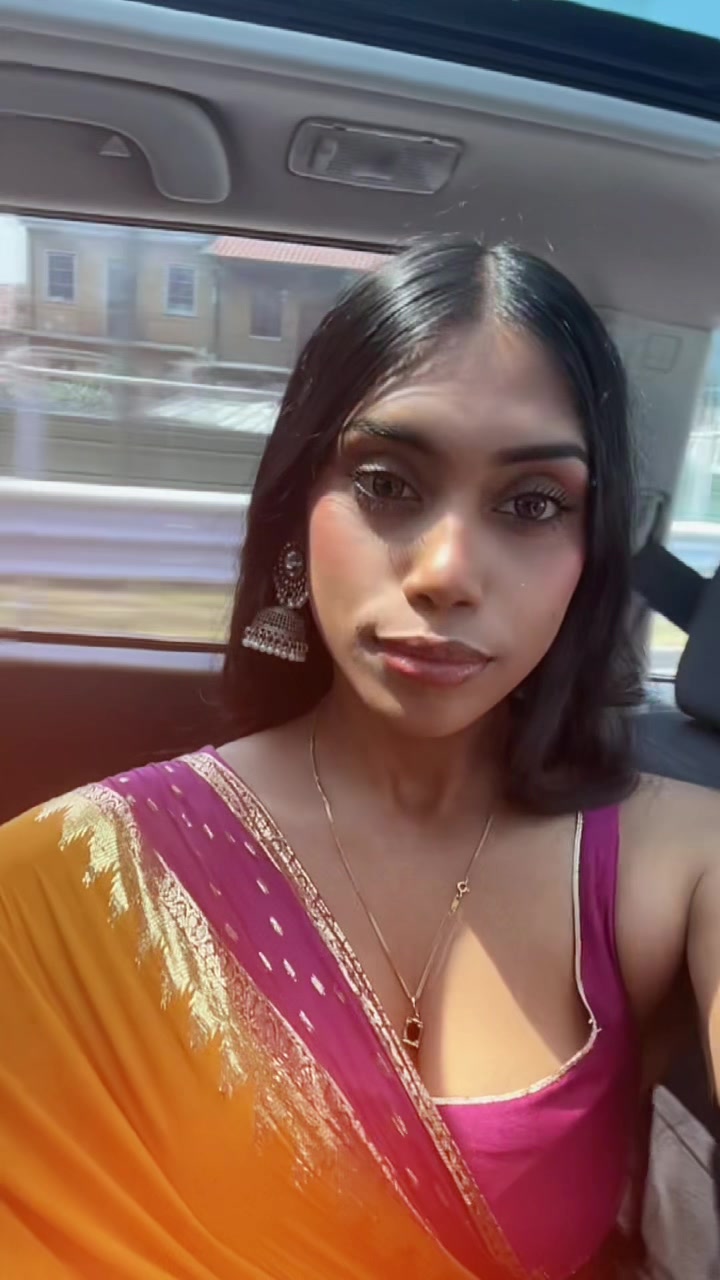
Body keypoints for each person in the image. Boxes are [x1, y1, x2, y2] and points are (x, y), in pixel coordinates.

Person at [1, 237, 718, 1280]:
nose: (447, 571)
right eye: (386, 482)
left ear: (589, 553)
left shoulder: (678, 861)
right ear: (299, 515)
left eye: (531, 504)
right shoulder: (70, 880)